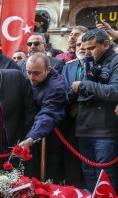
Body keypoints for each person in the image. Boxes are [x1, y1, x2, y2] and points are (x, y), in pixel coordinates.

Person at [71, 29, 118, 192]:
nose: (86, 53)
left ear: (106, 44)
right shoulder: (88, 61)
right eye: (84, 50)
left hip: (106, 130)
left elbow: (114, 91)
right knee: (89, 174)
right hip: (85, 128)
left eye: (91, 48)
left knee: (105, 176)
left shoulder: (115, 61)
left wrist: (83, 85)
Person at [19, 52, 66, 183]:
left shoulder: (56, 87)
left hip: (49, 132)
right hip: (28, 127)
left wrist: (32, 136)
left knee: (47, 173)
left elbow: (48, 113)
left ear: (48, 70)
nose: (31, 77)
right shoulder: (25, 71)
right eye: (28, 72)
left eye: (36, 73)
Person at [60, 33, 87, 187]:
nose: (81, 48)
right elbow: (62, 91)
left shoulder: (101, 66)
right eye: (78, 45)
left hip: (94, 121)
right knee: (71, 160)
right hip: (71, 120)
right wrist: (72, 103)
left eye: (84, 44)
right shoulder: (68, 66)